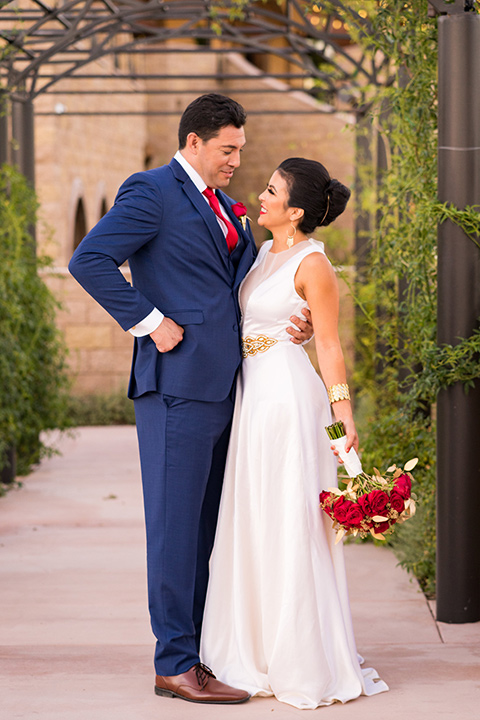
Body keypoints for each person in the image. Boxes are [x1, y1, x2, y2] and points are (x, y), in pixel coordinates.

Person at [68, 94, 312, 705]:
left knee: (211, 528)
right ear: (195, 142)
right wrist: (151, 321)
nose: (236, 160)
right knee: (176, 529)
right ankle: (174, 664)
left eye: (240, 150)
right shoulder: (150, 191)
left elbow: (244, 287)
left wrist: (292, 322)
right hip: (175, 387)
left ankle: (206, 651)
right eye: (227, 149)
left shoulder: (228, 208)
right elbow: (89, 259)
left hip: (231, 388)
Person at [200, 157, 389, 709]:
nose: (261, 196)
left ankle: (300, 657)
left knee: (288, 520)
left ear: (296, 211)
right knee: (255, 517)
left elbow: (328, 344)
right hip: (253, 397)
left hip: (286, 399)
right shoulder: (264, 252)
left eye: (272, 191)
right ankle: (253, 646)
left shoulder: (314, 264)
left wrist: (343, 414)